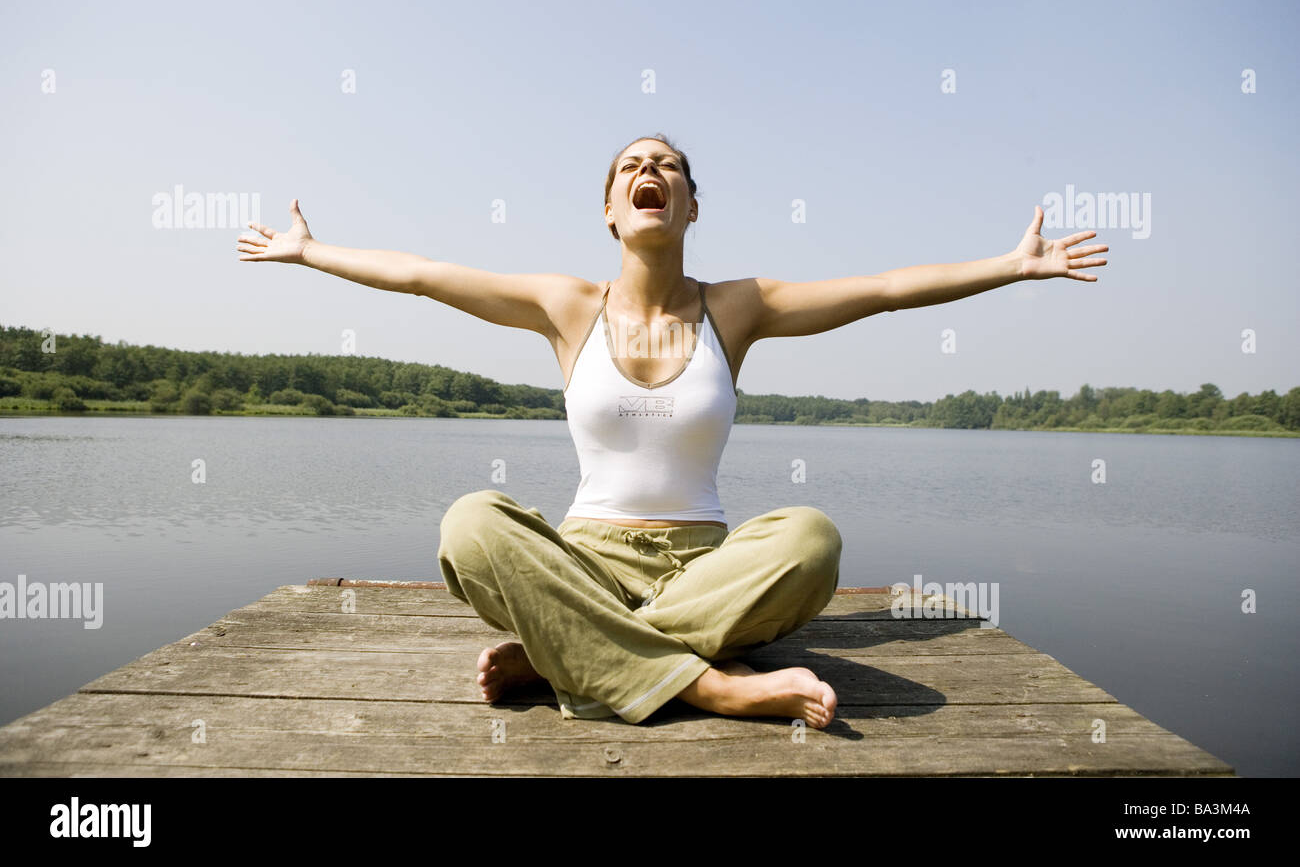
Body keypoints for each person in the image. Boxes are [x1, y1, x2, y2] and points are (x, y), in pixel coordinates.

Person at [237, 133, 1108, 728]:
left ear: (690, 208)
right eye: (631, 166)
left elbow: (881, 289)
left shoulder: (742, 306)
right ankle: (716, 686)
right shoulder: (566, 305)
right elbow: (424, 275)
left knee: (810, 539)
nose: (650, 169)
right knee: (472, 523)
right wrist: (312, 252)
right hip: (582, 561)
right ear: (612, 212)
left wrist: (1011, 267)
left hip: (707, 567)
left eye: (669, 166)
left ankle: (565, 659)